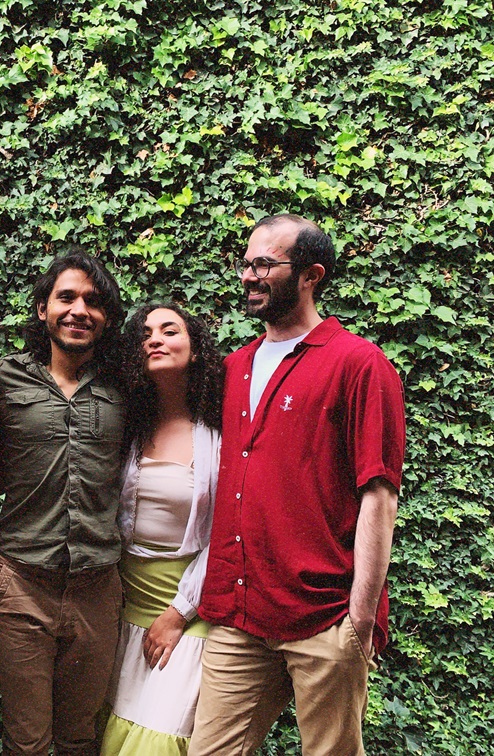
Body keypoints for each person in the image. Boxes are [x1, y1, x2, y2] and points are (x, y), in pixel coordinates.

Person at [189, 214, 406, 755]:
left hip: (325, 618)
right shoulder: (233, 367)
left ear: (311, 274)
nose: (249, 275)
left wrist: (359, 618)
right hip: (239, 616)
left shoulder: (358, 363)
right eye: (246, 263)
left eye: (265, 263)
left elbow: (378, 493)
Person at [0, 250, 127, 756]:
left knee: (78, 738)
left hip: (97, 589)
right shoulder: (1, 380)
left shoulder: (125, 389)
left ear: (105, 318)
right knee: (26, 742)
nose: (79, 310)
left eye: (93, 301)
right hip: (22, 583)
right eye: (66, 297)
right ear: (42, 309)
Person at [100, 303, 224, 755]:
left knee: (156, 740)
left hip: (187, 609)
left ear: (195, 351)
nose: (155, 338)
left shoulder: (219, 434)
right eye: (145, 333)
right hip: (121, 608)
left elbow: (228, 534)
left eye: (169, 330)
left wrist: (178, 614)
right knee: (110, 729)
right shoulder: (125, 425)